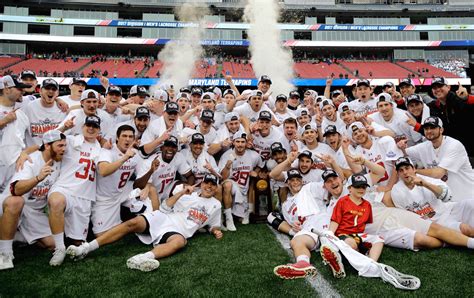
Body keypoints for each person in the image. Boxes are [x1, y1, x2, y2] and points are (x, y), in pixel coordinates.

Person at [66, 174, 222, 272]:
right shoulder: (188, 194)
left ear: (216, 188)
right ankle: (85, 248)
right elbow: (165, 207)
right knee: (132, 223)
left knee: (180, 242)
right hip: (165, 218)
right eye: (207, 183)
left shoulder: (216, 205)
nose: (209, 186)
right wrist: (181, 193)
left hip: (178, 231)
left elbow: (213, 224)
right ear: (201, 184)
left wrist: (215, 230)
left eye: (212, 185)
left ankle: (141, 258)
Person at [0, 130, 66, 270]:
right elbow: (16, 190)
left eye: (65, 146)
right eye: (60, 146)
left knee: (52, 243)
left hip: (33, 211)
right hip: (10, 205)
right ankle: (5, 253)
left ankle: (16, 236)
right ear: (48, 146)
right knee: (16, 201)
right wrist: (37, 178)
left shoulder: (59, 160)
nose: (64, 149)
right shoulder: (31, 160)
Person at [47, 115, 102, 266]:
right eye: (88, 125)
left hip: (85, 196)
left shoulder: (101, 148)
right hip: (65, 188)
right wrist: (64, 127)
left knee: (78, 243)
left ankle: (66, 239)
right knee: (56, 201)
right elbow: (49, 139)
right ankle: (59, 249)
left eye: (94, 126)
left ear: (99, 130)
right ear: (82, 126)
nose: (91, 128)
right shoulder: (71, 140)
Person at [390, 157, 474, 237]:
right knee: (466, 230)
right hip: (437, 222)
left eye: (407, 168)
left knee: (470, 203)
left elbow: (446, 196)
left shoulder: (427, 179)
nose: (405, 172)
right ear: (398, 174)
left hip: (449, 209)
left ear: (414, 169)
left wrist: (425, 184)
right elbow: (405, 216)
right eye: (401, 170)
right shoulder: (396, 191)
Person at [401, 116, 474, 202]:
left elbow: (439, 173)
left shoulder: (454, 145)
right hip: (447, 201)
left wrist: (414, 171)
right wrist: (400, 146)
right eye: (426, 128)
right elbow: (404, 152)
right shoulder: (424, 146)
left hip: (468, 197)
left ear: (441, 130)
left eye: (433, 128)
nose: (429, 131)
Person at [91, 124, 145, 236]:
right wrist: (125, 158)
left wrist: (148, 187)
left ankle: (138, 218)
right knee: (100, 235)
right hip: (104, 197)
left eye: (130, 137)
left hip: (123, 192)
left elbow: (142, 175)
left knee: (150, 196)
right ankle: (127, 220)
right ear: (117, 137)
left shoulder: (135, 154)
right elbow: (104, 171)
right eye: (124, 136)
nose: (127, 139)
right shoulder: (107, 151)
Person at [329, 174, 384, 262]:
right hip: (343, 235)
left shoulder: (367, 205)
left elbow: (365, 224)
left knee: (379, 240)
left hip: (357, 235)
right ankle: (337, 255)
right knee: (351, 244)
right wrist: (330, 234)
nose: (361, 189)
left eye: (364, 187)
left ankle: (371, 263)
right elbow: (335, 220)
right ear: (349, 188)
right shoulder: (342, 201)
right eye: (357, 186)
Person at [219, 131, 264, 230]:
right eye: (237, 141)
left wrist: (255, 172)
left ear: (246, 143)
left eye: (242, 142)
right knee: (228, 185)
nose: (240, 144)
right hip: (231, 186)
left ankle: (246, 210)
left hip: (244, 188)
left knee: (253, 181)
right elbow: (223, 177)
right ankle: (228, 218)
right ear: (233, 142)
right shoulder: (227, 155)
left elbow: (261, 165)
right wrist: (227, 165)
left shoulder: (253, 155)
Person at [22, 79, 67, 147]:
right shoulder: (29, 107)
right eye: (47, 88)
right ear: (40, 91)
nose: (50, 91)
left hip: (55, 154)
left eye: (54, 89)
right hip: (34, 154)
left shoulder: (63, 108)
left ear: (57, 93)